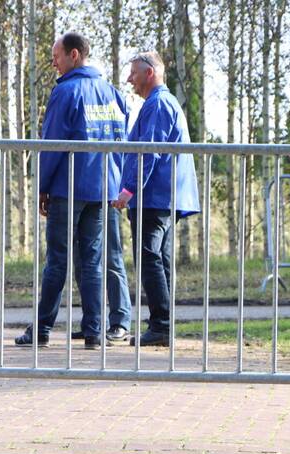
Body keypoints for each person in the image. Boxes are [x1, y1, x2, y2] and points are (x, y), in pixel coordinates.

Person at [15, 32, 130, 350]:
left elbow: (51, 145)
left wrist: (42, 187)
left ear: (74, 55)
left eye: (57, 55)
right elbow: (124, 143)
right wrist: (115, 181)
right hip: (102, 188)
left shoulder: (66, 92)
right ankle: (94, 331)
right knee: (92, 262)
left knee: (57, 260)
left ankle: (41, 329)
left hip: (69, 187)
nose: (54, 61)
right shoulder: (113, 93)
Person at [112, 51, 199, 347]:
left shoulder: (157, 104)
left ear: (149, 73)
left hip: (155, 196)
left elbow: (149, 151)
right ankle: (162, 324)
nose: (129, 80)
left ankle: (161, 325)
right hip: (164, 195)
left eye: (133, 73)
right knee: (159, 259)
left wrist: (129, 190)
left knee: (149, 257)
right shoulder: (163, 102)